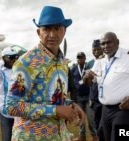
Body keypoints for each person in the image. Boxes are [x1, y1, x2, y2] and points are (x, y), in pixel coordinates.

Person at [5, 6, 85, 141]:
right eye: (46, 29)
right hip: (31, 136)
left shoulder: (62, 62)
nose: (52, 34)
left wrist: (71, 104)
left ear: (64, 31)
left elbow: (53, 97)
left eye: (57, 28)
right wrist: (55, 110)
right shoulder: (27, 62)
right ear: (38, 32)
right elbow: (12, 106)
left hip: (59, 135)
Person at [84, 32, 129, 141]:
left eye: (109, 42)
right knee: (104, 137)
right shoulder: (100, 61)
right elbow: (89, 82)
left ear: (117, 42)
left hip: (127, 108)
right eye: (103, 44)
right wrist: (86, 76)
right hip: (106, 110)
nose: (106, 46)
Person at [0, 47, 19, 141]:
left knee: (18, 136)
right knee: (6, 137)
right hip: (4, 109)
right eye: (10, 57)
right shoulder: (0, 71)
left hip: (18, 109)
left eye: (15, 57)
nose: (14, 59)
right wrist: (1, 62)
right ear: (3, 58)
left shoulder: (19, 70)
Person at [70, 52, 98, 141]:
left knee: (91, 119)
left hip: (89, 97)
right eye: (78, 58)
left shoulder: (89, 68)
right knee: (81, 118)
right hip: (78, 98)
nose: (80, 59)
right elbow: (71, 83)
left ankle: (95, 136)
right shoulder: (73, 69)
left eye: (82, 58)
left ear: (85, 58)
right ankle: (82, 136)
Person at [86, 39, 105, 141]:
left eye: (98, 49)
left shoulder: (108, 61)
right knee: (97, 124)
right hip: (94, 99)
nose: (96, 51)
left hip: (106, 99)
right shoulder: (89, 63)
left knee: (106, 125)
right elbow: (88, 83)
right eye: (94, 49)